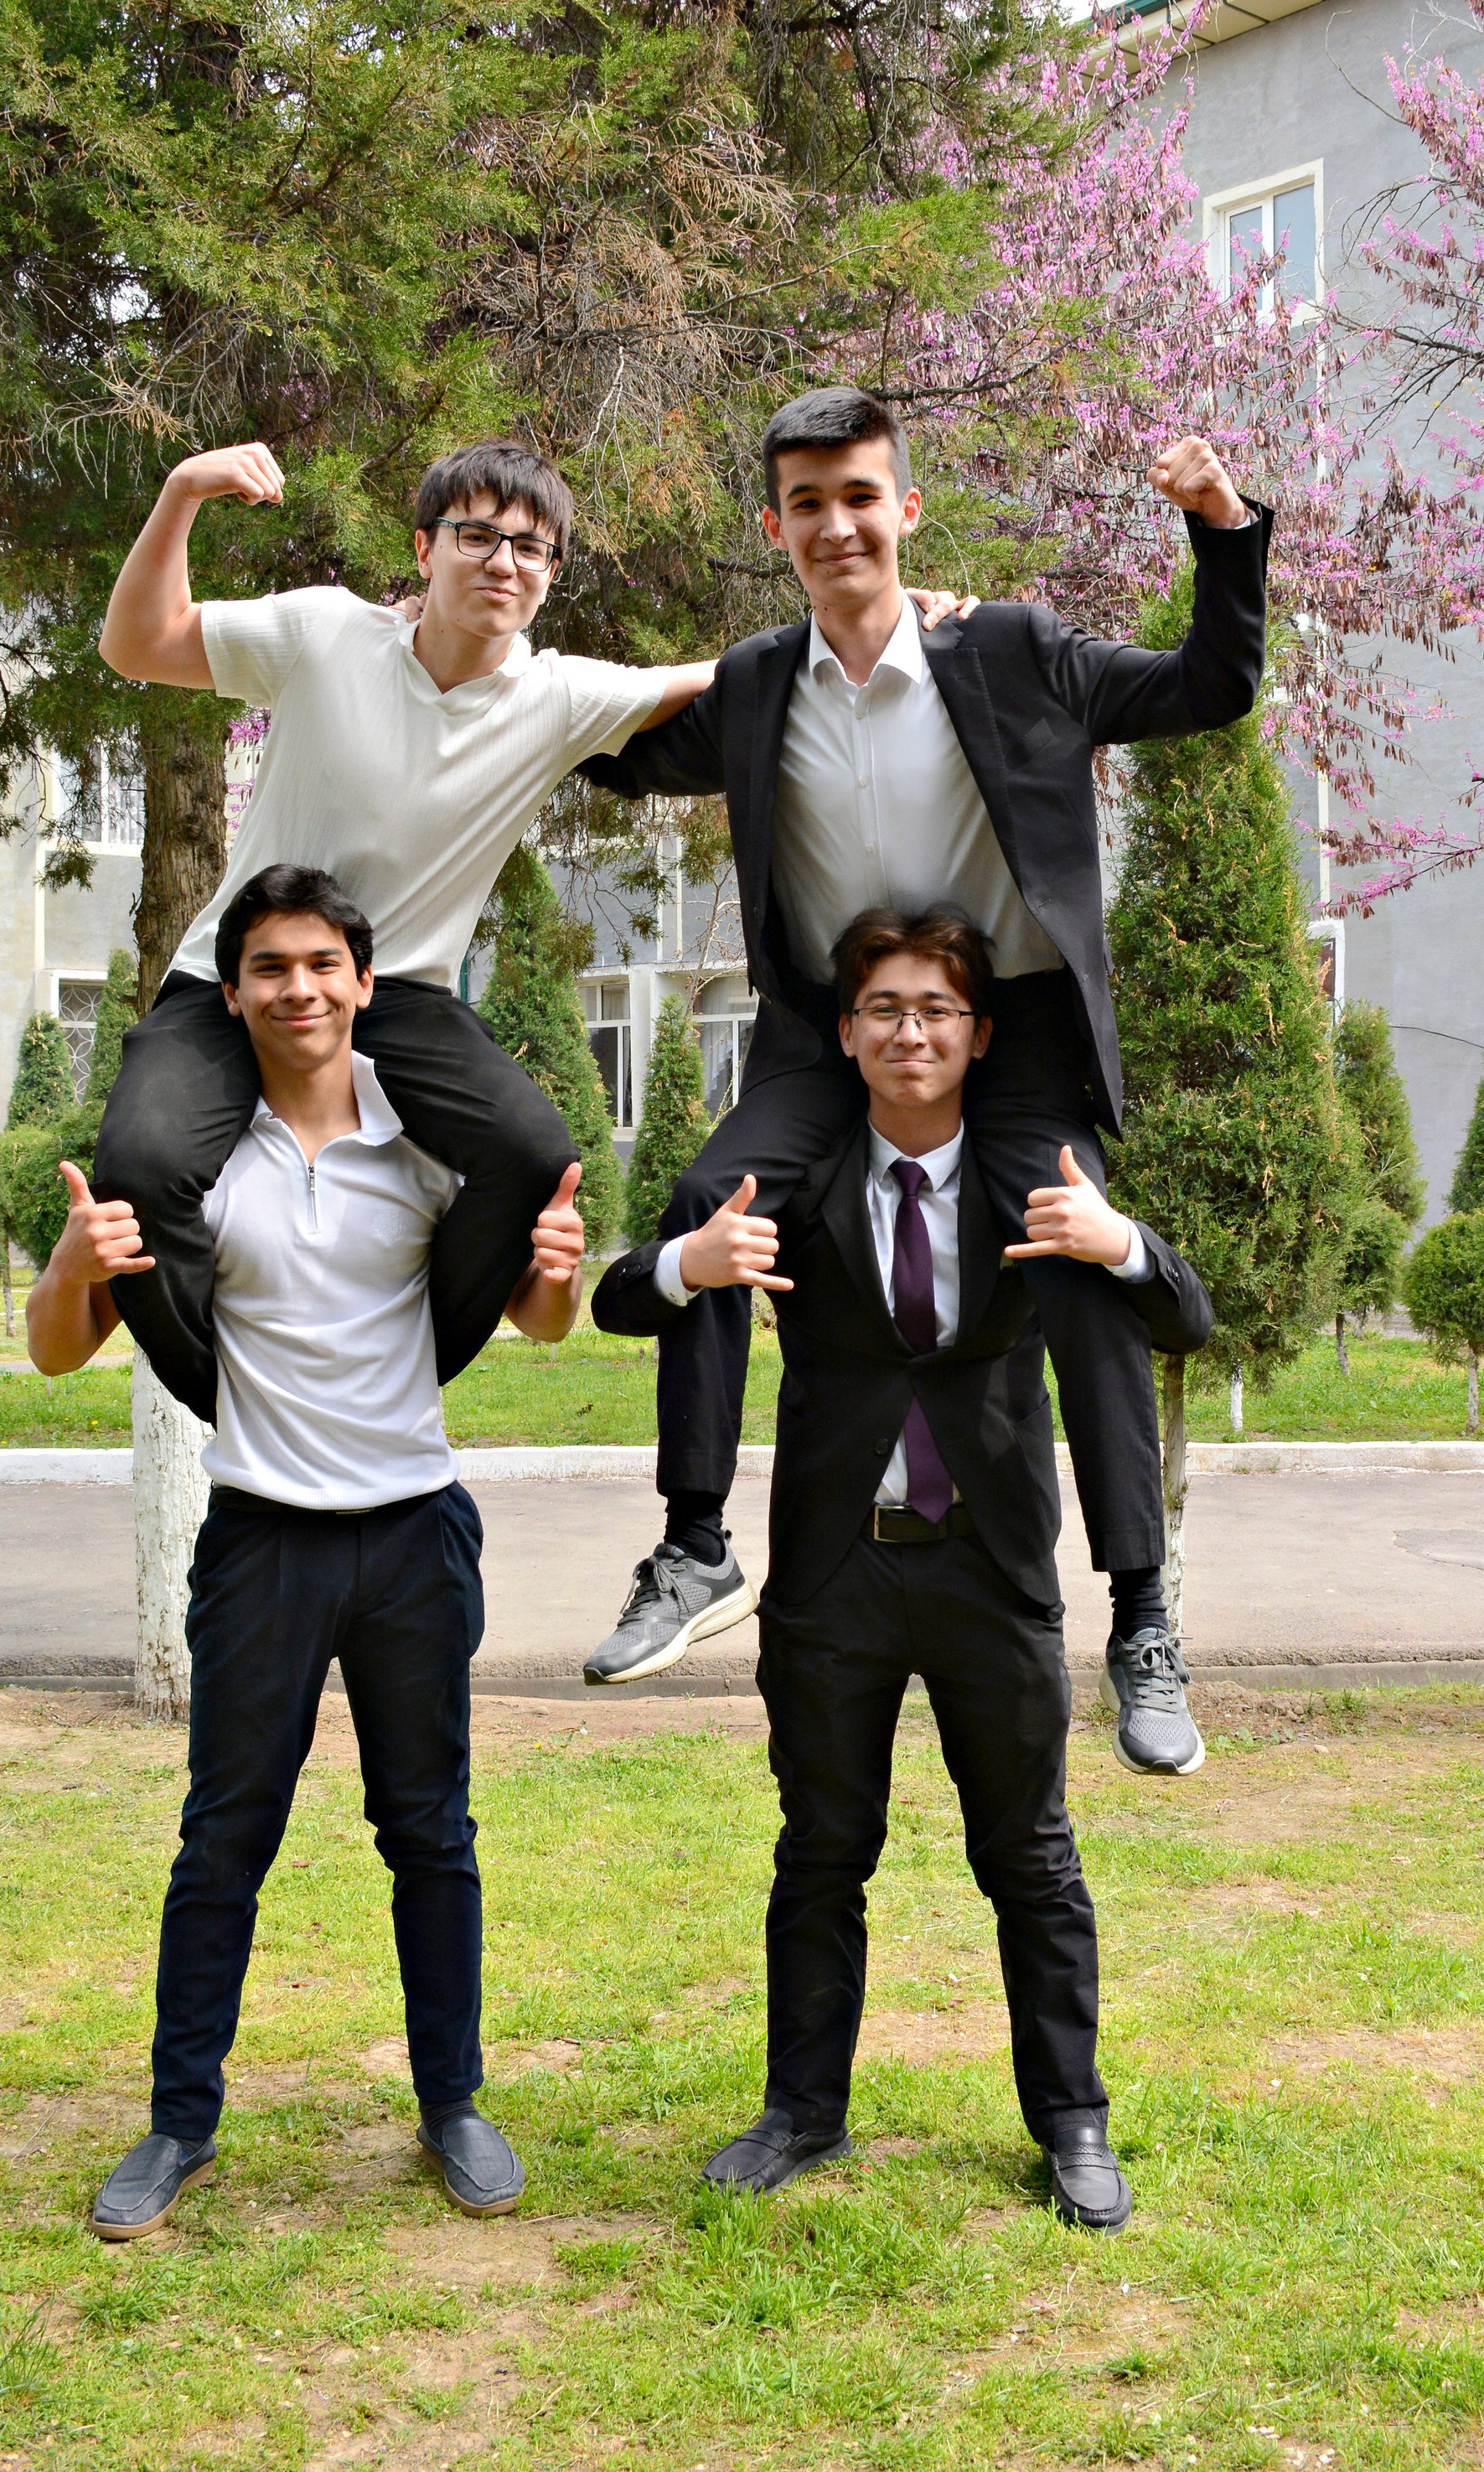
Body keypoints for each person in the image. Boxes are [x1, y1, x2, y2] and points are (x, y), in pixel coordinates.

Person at [578, 387, 1267, 1782]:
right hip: (836, 1030)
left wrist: (1220, 524)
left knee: (1072, 1247)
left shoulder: (1011, 649)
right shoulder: (759, 684)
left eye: (861, 497)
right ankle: (697, 1545)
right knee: (713, 1201)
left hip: (1010, 1033)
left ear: (905, 508)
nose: (838, 525)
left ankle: (1143, 1616)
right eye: (809, 504)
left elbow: (1209, 684)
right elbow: (606, 752)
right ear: (775, 525)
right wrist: (509, 657)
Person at [91, 434, 963, 1425]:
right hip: (235, 980)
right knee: (141, 1168)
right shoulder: (325, 634)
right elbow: (137, 644)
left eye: (531, 547)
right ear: (424, 548)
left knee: (530, 1155)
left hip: (398, 995)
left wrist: (884, 616)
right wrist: (183, 491)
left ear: (550, 574)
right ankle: (236, 1396)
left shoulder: (559, 698)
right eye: (476, 536)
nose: (503, 562)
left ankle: (392, 1378)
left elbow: (725, 675)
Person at [594, 908, 1213, 2222]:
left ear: (980, 1034)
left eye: (936, 1008)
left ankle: (1073, 2122)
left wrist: (1118, 1240)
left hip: (991, 1570)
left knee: (1031, 1856)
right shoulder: (795, 1177)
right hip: (837, 1574)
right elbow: (618, 1299)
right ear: (844, 1033)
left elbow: (1188, 1314)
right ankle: (801, 2112)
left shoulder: (1029, 1180)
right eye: (884, 1007)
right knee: (822, 1849)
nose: (910, 1030)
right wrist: (687, 1264)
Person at [28, 864, 586, 2237]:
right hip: (261, 1539)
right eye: (271, 968)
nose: (300, 990)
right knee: (223, 1839)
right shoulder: (195, 1160)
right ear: (231, 995)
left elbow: (540, 1322)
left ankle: (453, 2104)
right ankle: (179, 2122)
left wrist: (556, 1269)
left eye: (324, 964)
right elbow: (53, 1350)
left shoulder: (428, 1137)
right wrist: (74, 1263)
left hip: (413, 1532)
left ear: (365, 984)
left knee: (430, 1832)